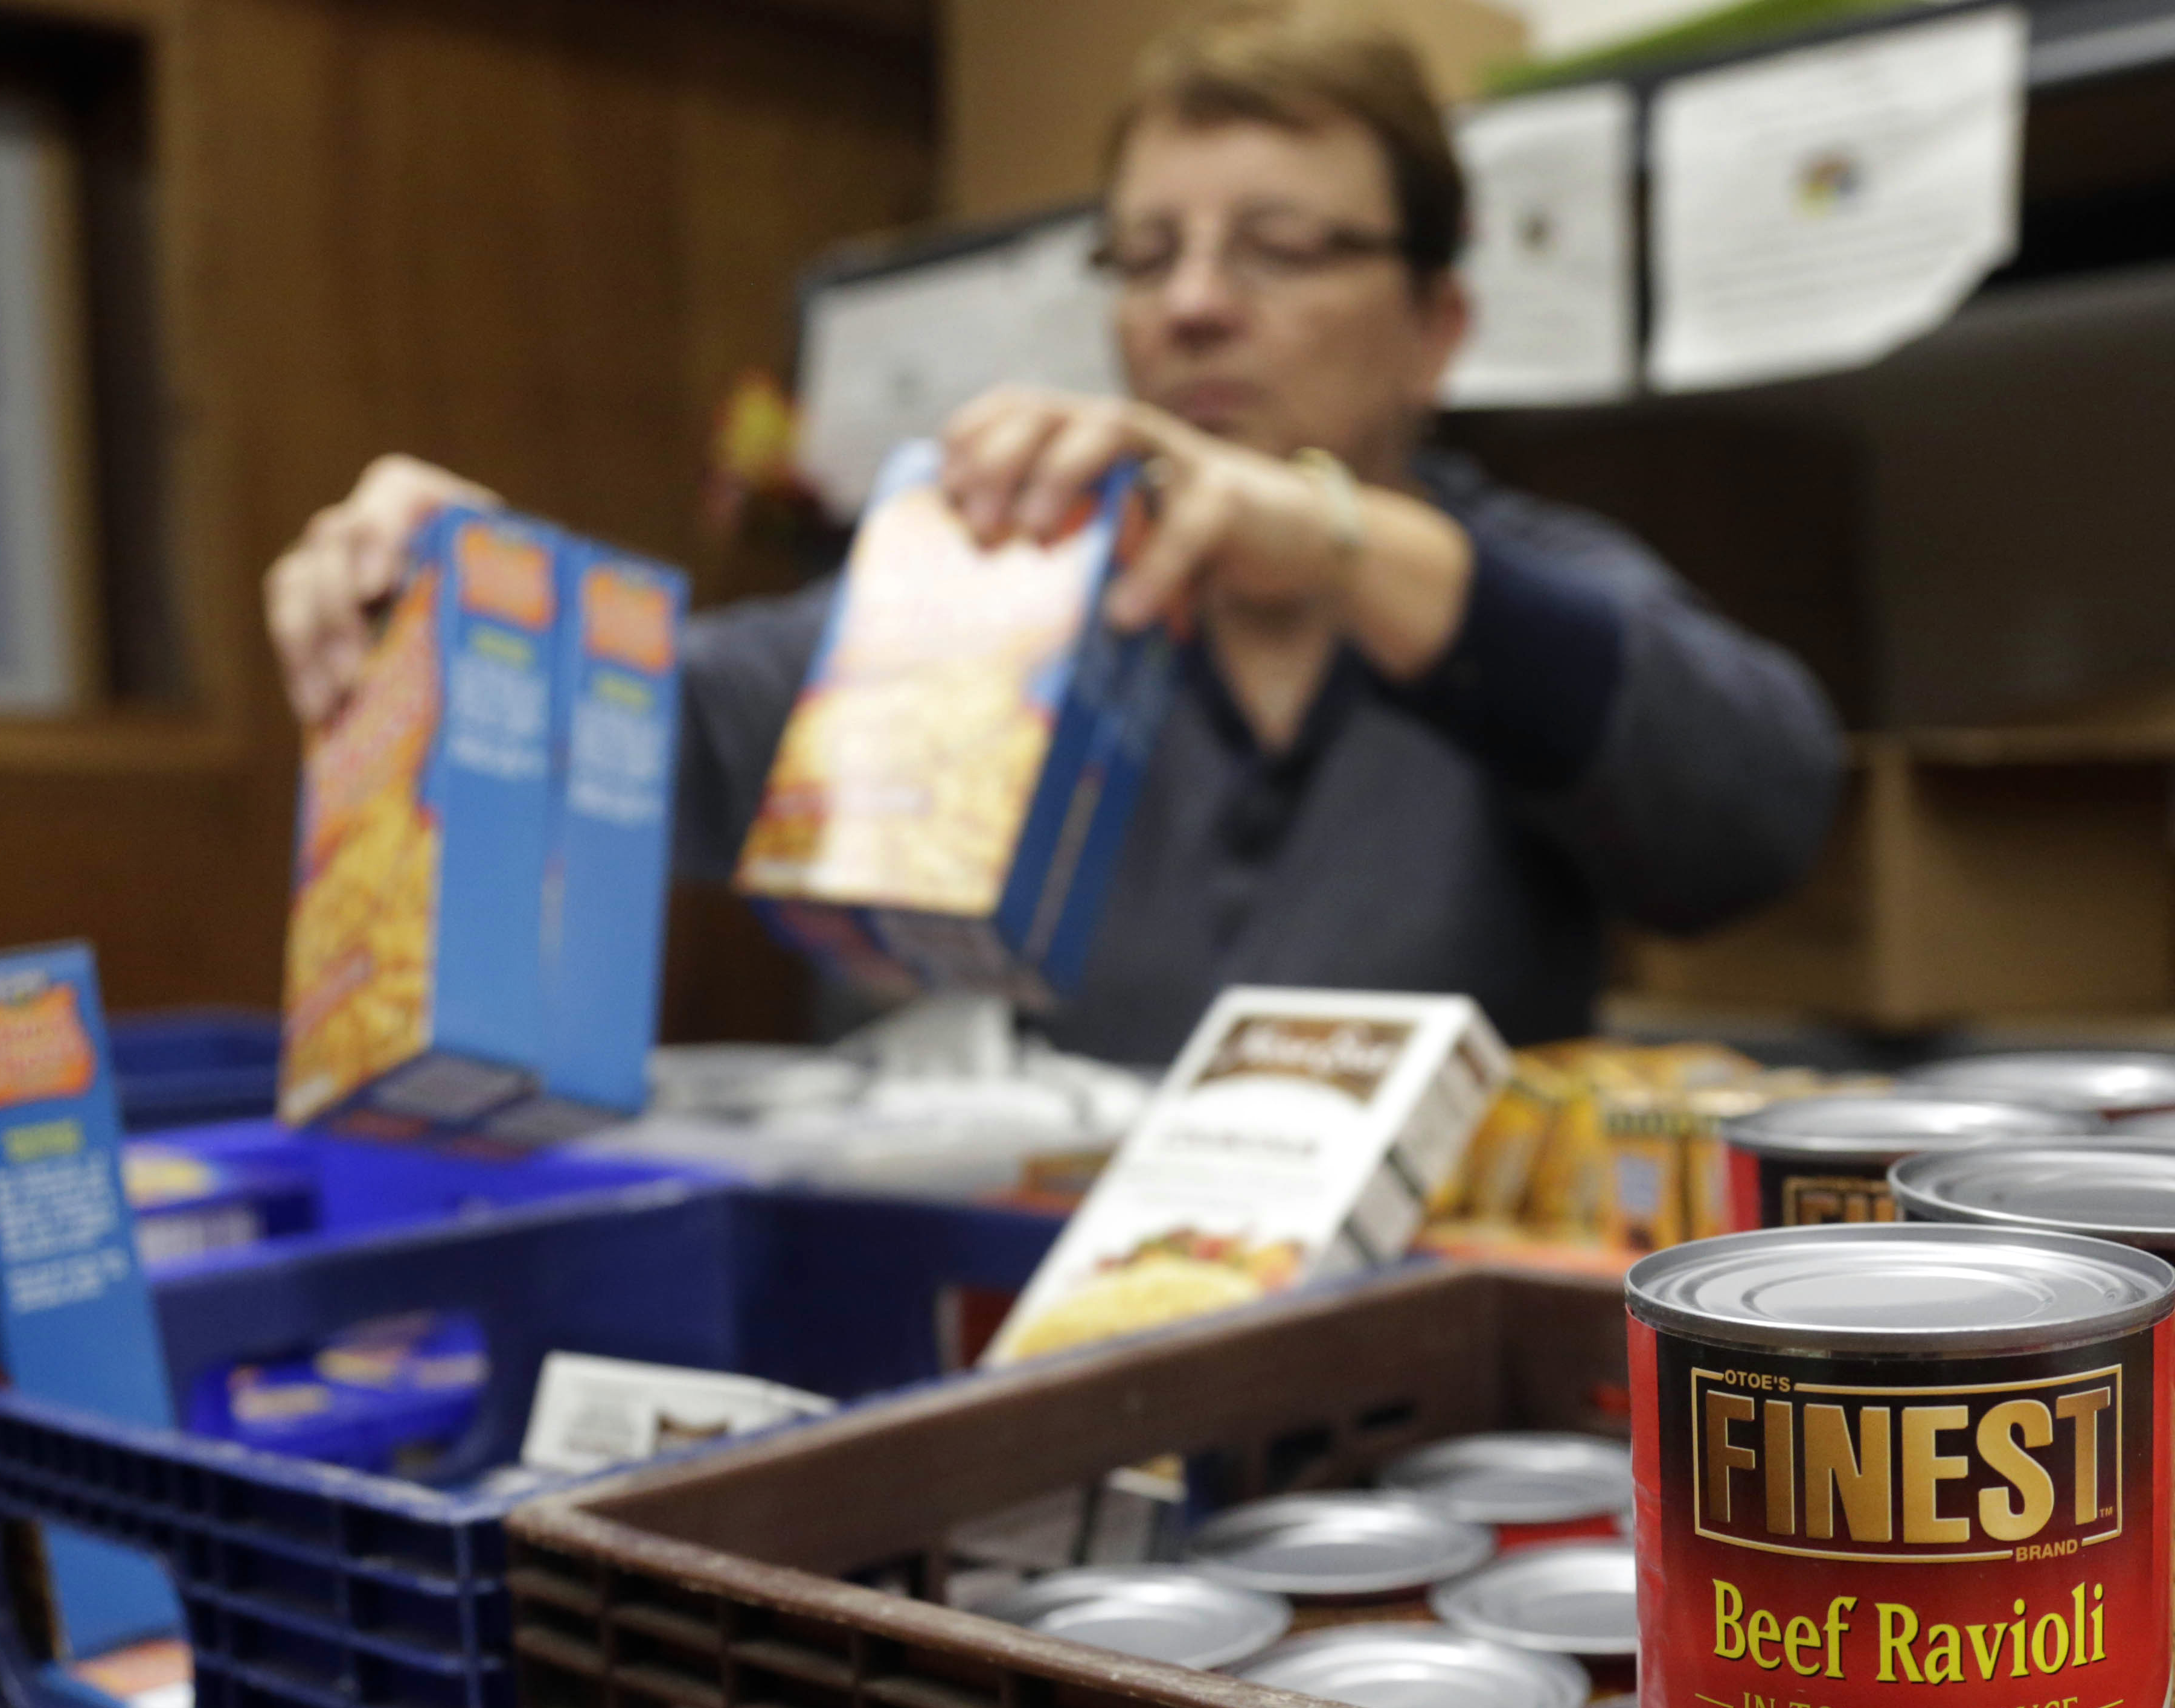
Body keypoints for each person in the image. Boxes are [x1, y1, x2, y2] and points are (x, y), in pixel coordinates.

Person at [264, 4, 1842, 1066]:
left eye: (1278, 249)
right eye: (1145, 257)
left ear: (1435, 326)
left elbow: (1758, 808)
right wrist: (463, 602)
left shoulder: (1515, 590)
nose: (1194, 303)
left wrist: (1342, 545)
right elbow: (662, 730)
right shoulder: (991, 578)